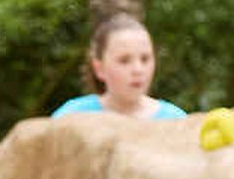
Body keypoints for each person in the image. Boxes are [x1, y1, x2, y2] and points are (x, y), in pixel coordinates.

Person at [52, 12, 187, 121]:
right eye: (124, 60)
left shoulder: (175, 120)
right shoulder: (71, 117)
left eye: (145, 59)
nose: (138, 70)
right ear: (99, 68)